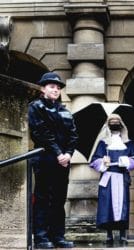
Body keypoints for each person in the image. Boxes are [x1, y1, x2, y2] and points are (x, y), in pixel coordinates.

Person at [28, 72, 78, 249]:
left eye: (58, 87)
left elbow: (73, 135)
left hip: (63, 160)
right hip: (45, 158)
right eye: (52, 86)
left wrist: (69, 154)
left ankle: (58, 236)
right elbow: (41, 132)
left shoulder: (64, 111)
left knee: (59, 199)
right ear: (43, 88)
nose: (56, 90)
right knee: (43, 198)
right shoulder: (36, 107)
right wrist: (58, 153)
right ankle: (41, 237)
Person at [89, 113, 134, 245]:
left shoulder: (129, 143)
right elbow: (94, 160)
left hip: (122, 177)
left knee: (123, 206)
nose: (114, 122)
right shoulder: (103, 143)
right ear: (108, 124)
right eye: (111, 120)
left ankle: (123, 234)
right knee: (107, 206)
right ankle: (109, 235)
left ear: (121, 123)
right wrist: (102, 161)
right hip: (108, 177)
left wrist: (126, 161)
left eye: (117, 120)